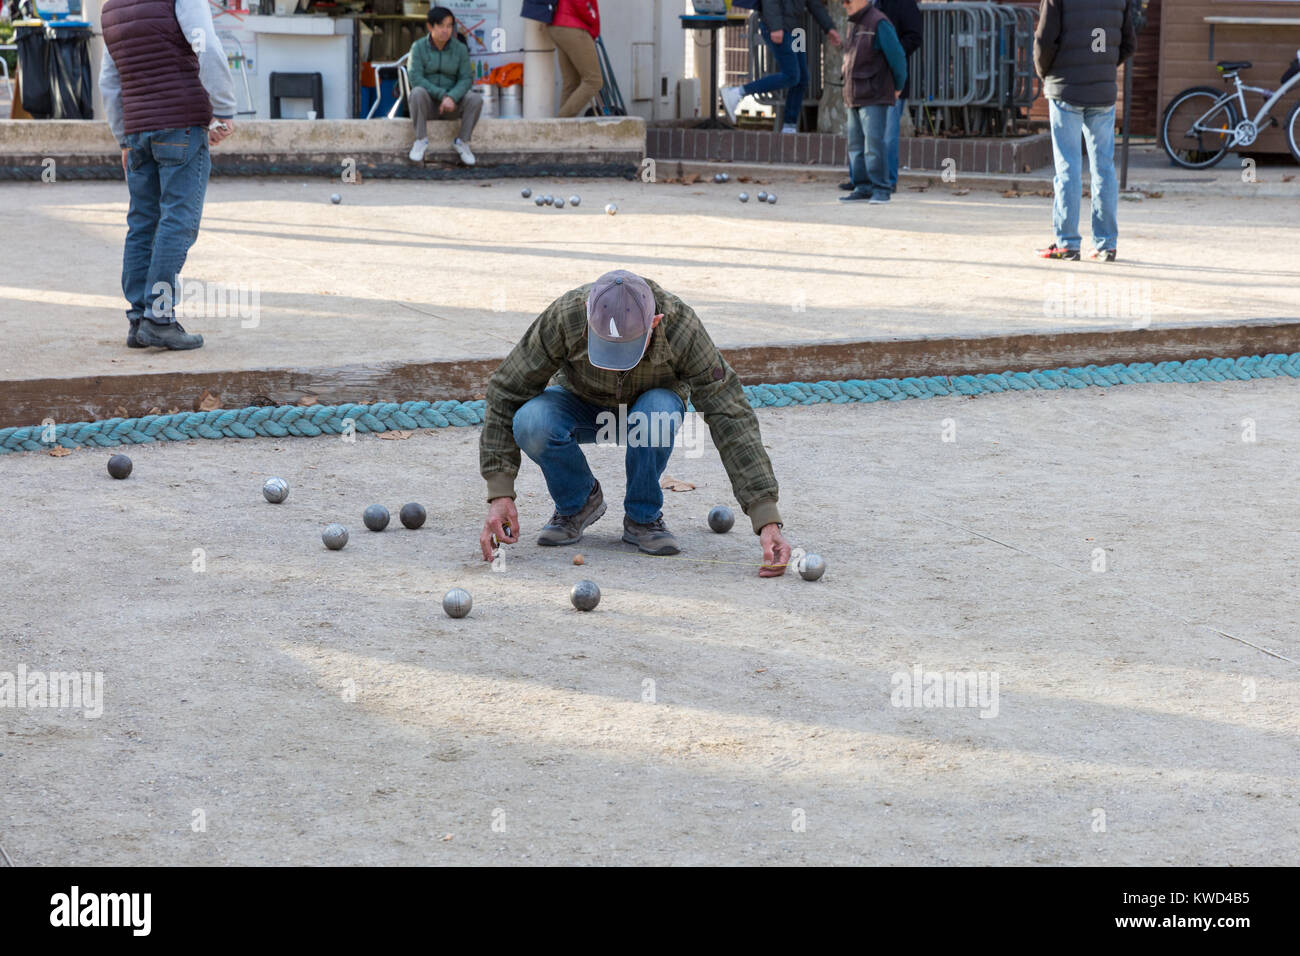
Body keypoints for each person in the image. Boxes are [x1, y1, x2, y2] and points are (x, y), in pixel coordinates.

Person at [478, 270, 793, 577]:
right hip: (580, 406)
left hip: (649, 412)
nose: (615, 358)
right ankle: (577, 503)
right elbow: (507, 390)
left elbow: (730, 412)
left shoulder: (681, 326)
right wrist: (499, 493)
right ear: (588, 316)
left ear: (654, 323)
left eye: (626, 348)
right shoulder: (566, 315)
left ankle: (643, 518)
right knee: (532, 421)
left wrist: (765, 517)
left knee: (657, 413)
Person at [98, 0, 236, 351]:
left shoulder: (112, 7)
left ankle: (139, 319)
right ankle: (159, 319)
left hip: (138, 132)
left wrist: (122, 137)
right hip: (181, 125)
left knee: (143, 223)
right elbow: (205, 41)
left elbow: (109, 81)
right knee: (178, 221)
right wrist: (223, 109)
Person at [1033, 0, 1136, 261]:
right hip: (1102, 93)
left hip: (1065, 88)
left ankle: (1067, 243)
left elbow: (1044, 41)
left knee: (1068, 166)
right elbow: (1128, 44)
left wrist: (1046, 74)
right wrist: (1102, 68)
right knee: (1104, 168)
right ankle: (1106, 245)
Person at [720, 1, 842, 134]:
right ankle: (737, 92)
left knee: (802, 79)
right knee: (791, 75)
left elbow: (814, 3)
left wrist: (829, 28)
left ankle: (789, 127)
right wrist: (775, 26)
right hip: (779, 27)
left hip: (796, 30)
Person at [839, 0, 920, 196]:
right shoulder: (857, 19)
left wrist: (887, 51)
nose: (844, 4)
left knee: (883, 138)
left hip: (885, 84)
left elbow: (913, 37)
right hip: (860, 87)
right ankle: (862, 182)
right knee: (859, 141)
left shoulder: (896, 8)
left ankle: (885, 182)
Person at [408, 6, 481, 165]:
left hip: (452, 105)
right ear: (430, 26)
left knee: (475, 99)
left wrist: (452, 97)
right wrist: (442, 96)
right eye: (441, 26)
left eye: (449, 26)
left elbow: (466, 78)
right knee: (417, 92)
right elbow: (415, 77)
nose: (445, 30)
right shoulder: (418, 47)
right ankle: (421, 140)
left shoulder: (460, 49)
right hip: (428, 105)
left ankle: (462, 142)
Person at [547, 0, 603, 118]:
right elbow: (582, 3)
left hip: (558, 24)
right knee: (594, 81)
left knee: (571, 82)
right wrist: (593, 23)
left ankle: (561, 131)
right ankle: (560, 123)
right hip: (572, 25)